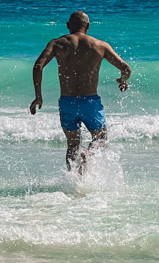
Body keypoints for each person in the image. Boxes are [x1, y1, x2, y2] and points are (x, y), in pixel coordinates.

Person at [30, 11, 131, 171]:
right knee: (100, 138)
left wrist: (38, 96)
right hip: (90, 102)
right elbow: (126, 68)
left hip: (67, 102)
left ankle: (74, 182)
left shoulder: (57, 44)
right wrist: (122, 80)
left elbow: (38, 66)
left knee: (72, 144)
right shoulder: (100, 45)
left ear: (68, 26)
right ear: (88, 26)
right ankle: (89, 155)